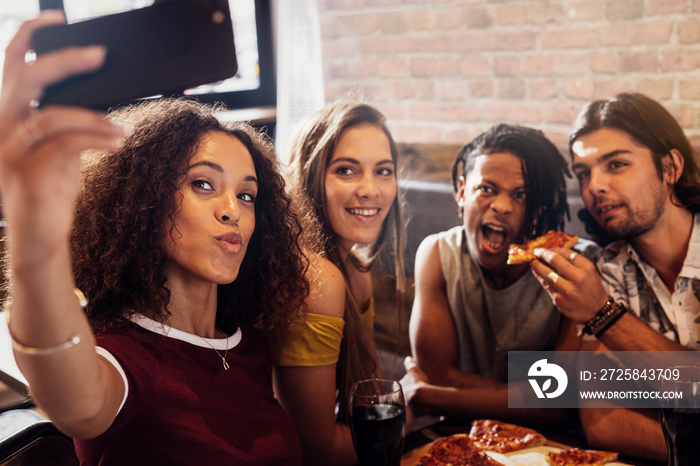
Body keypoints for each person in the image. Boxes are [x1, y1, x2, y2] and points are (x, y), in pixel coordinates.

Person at [0, 13, 308, 465]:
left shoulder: (249, 342)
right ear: (143, 201)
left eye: (246, 195)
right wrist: (35, 237)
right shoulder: (128, 356)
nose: (232, 211)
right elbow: (78, 406)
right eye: (203, 184)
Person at [530, 92, 700, 461]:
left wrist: (601, 313)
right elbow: (603, 421)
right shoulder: (600, 272)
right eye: (583, 173)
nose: (595, 186)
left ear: (670, 168)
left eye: (617, 164)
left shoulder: (595, 295)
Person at [403, 124, 594, 425]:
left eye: (521, 195)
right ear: (463, 191)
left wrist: (433, 397)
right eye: (487, 189)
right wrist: (528, 395)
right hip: (461, 439)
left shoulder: (577, 267)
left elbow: (562, 400)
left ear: (538, 206)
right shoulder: (438, 255)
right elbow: (436, 373)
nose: (502, 206)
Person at [274, 101, 407, 465]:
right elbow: (316, 450)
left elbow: (370, 396)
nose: (370, 189)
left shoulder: (357, 271)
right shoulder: (315, 279)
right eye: (347, 170)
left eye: (383, 171)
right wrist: (406, 424)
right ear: (310, 177)